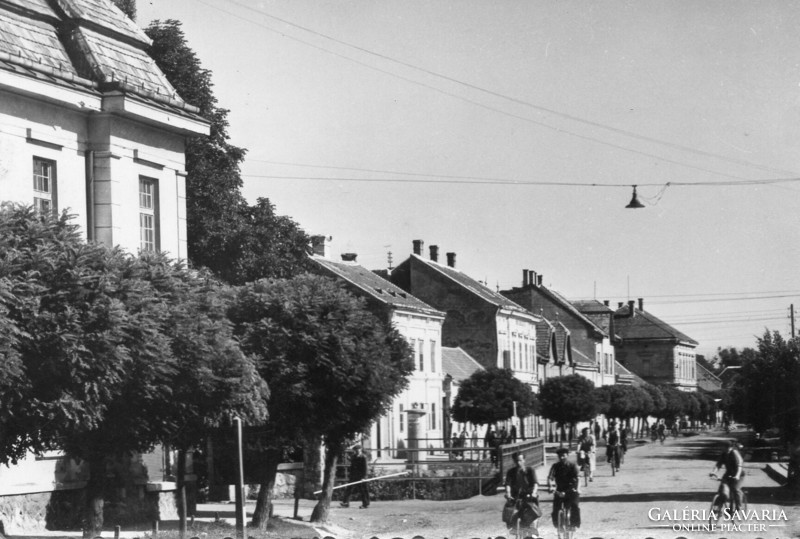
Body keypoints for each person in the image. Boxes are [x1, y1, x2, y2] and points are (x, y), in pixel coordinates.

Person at [503, 451, 541, 531]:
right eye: (516, 461)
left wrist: (534, 493)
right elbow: (508, 484)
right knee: (508, 511)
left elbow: (535, 483)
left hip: (529, 496)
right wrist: (508, 494)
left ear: (524, 460)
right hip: (515, 496)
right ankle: (512, 527)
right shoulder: (511, 472)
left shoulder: (530, 470)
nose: (518, 463)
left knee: (532, 511)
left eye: (520, 460)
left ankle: (531, 528)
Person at [547, 447, 580, 529]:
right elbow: (550, 477)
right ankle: (558, 526)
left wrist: (577, 489)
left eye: (563, 455)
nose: (562, 457)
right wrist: (550, 486)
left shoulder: (572, 466)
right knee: (555, 509)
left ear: (567, 456)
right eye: (560, 456)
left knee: (574, 506)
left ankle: (573, 524)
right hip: (559, 490)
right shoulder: (555, 466)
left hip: (571, 490)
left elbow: (577, 479)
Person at [710, 439, 745, 512]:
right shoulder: (724, 454)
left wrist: (737, 476)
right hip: (728, 473)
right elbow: (718, 465)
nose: (724, 449)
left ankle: (739, 507)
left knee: (735, 489)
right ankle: (717, 507)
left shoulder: (735, 453)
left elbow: (739, 466)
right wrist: (713, 472)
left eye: (726, 447)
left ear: (731, 447)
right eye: (723, 447)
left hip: (739, 474)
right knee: (722, 490)